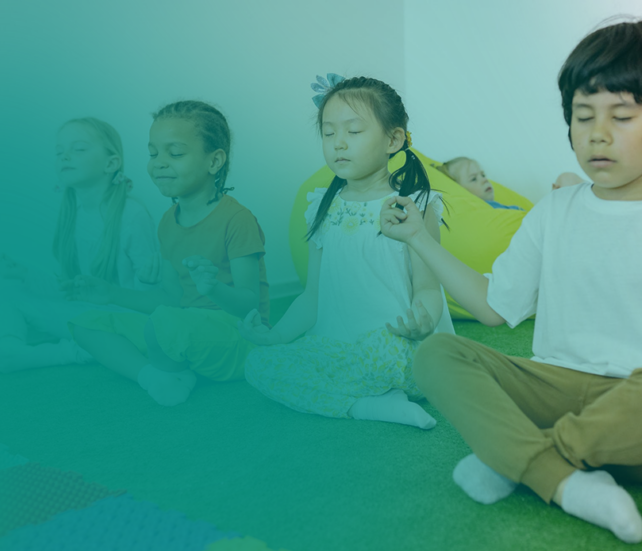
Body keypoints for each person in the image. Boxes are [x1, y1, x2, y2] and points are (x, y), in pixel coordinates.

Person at [380, 20, 642, 543]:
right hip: (554, 389)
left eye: (622, 116)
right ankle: (564, 481)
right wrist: (420, 240)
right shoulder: (554, 210)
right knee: (437, 354)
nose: (597, 133)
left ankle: (518, 460)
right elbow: (495, 307)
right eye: (583, 115)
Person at [239, 75, 454, 430]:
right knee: (259, 365)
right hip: (339, 350)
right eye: (328, 133)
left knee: (386, 354)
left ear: (393, 139)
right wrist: (275, 335)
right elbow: (313, 297)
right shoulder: (320, 208)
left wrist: (423, 320)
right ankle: (368, 404)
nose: (339, 143)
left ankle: (364, 393)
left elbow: (428, 288)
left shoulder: (415, 204)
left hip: (398, 348)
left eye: (353, 132)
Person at [69, 101, 269, 406]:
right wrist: (110, 293)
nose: (159, 162)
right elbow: (171, 299)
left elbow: (248, 306)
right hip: (183, 326)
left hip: (238, 336)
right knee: (86, 323)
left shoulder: (237, 219)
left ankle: (169, 371)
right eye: (153, 153)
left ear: (214, 161)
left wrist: (213, 288)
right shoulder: (167, 221)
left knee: (165, 323)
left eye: (174, 153)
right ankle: (153, 376)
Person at [0, 117, 158, 372]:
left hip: (124, 319)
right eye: (59, 151)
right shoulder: (71, 213)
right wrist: (23, 273)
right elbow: (71, 287)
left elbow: (150, 297)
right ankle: (11, 351)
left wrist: (148, 283)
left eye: (79, 149)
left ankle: (69, 351)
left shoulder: (132, 214)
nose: (65, 156)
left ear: (111, 163)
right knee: (7, 292)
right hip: (86, 310)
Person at [437, 157, 524, 210]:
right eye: (474, 179)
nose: (484, 180)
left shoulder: (493, 205)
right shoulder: (487, 208)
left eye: (483, 175)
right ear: (460, 190)